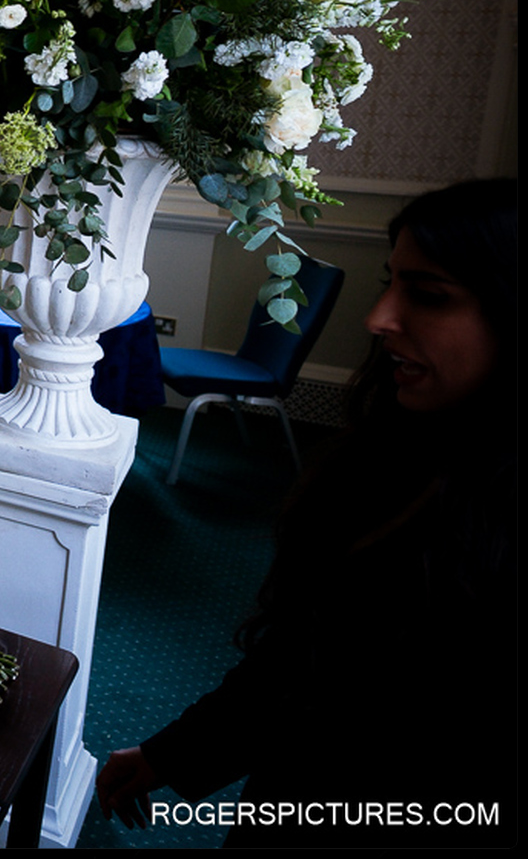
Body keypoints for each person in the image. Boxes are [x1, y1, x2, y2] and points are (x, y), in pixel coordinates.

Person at [95, 179, 518, 847]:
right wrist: (171, 755)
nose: (379, 319)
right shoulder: (399, 448)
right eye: (391, 283)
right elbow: (305, 655)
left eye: (428, 295)